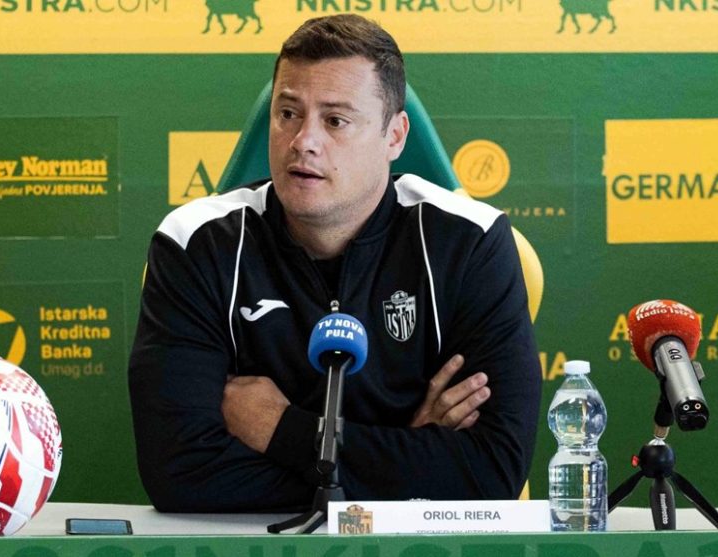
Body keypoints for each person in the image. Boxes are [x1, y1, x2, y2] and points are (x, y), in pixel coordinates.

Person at [128, 14, 541, 512]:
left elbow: (492, 472)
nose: (303, 140)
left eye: (335, 120)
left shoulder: (471, 242)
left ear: (395, 136)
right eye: (287, 113)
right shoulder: (196, 243)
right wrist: (407, 457)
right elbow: (179, 473)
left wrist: (282, 429)